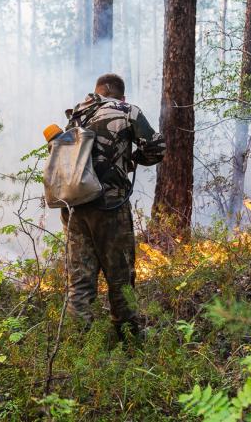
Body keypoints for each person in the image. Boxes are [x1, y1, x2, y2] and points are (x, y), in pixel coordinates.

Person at [61, 73, 165, 341]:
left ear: (96, 92)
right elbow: (156, 147)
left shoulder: (77, 116)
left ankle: (76, 346)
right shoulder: (127, 111)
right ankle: (128, 341)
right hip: (111, 207)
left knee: (80, 283)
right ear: (122, 96)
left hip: (76, 208)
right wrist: (132, 160)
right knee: (120, 278)